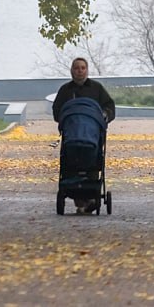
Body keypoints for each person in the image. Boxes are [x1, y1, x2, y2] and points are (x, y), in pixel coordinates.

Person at [53, 57, 115, 212]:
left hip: (92, 135)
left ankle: (90, 196)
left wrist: (105, 114)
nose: (79, 71)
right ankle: (78, 197)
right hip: (72, 135)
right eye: (76, 68)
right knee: (70, 160)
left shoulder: (97, 88)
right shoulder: (65, 90)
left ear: (87, 70)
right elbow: (57, 111)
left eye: (82, 68)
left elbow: (109, 106)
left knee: (92, 158)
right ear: (71, 70)